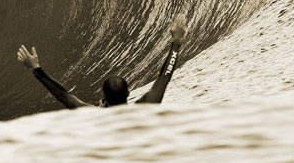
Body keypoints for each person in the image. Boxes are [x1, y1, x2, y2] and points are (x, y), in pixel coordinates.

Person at [16, 16, 187, 108]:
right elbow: (165, 76)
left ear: (103, 97)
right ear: (128, 93)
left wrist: (36, 68)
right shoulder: (146, 107)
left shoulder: (96, 118)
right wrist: (176, 43)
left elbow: (63, 95)